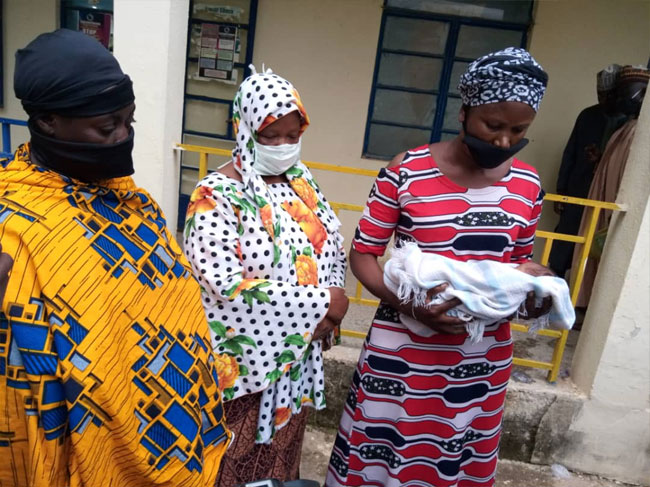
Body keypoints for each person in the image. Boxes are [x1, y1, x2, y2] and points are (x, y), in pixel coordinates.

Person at [0, 29, 230, 487]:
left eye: (130, 122)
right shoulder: (13, 223)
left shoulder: (135, 206)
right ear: (47, 122)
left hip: (173, 438)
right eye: (107, 129)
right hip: (69, 447)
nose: (124, 137)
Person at [326, 47, 552, 487]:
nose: (504, 141)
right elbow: (363, 254)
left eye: (519, 130)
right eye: (493, 126)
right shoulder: (406, 171)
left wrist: (537, 291)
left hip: (480, 356)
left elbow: (518, 264)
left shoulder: (527, 185)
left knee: (454, 460)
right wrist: (410, 306)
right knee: (383, 452)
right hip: (404, 351)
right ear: (464, 112)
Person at [183, 66, 349, 485]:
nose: (283, 146)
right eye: (270, 135)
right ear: (244, 129)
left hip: (295, 361)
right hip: (245, 370)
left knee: (281, 468)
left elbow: (329, 243)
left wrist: (329, 305)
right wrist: (322, 305)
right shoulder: (216, 195)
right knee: (232, 468)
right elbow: (224, 284)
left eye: (292, 135)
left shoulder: (301, 183)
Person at [571, 65, 649, 308]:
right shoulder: (625, 128)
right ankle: (582, 303)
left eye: (630, 92)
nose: (624, 98)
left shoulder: (640, 133)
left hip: (615, 209)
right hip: (599, 202)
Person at [548, 64, 626, 278]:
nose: (604, 100)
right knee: (564, 243)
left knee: (594, 249)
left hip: (607, 196)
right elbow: (570, 153)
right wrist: (561, 190)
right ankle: (553, 286)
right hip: (578, 190)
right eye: (600, 94)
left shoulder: (630, 122)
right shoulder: (588, 115)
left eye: (609, 95)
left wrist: (603, 159)